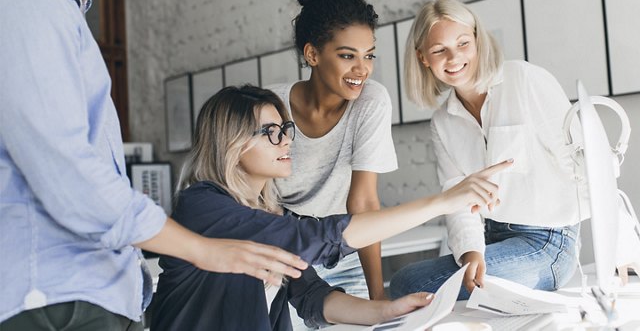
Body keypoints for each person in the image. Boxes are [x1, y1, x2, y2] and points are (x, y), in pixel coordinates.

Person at [0, 0, 307, 329]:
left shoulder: (63, 13)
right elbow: (71, 178)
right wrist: (204, 249)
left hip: (89, 296)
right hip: (56, 301)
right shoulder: (28, 4)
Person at [151, 85, 510, 330]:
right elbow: (319, 237)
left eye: (285, 129)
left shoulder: (273, 216)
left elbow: (312, 296)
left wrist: (385, 312)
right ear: (231, 142)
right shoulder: (202, 206)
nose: (286, 140)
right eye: (270, 132)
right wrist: (443, 201)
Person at [389, 0, 586, 301]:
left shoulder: (524, 79)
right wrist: (470, 252)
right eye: (439, 50)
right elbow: (456, 197)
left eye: (463, 43)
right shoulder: (442, 122)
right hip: (490, 238)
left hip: (548, 244)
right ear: (423, 58)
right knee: (405, 279)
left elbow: (585, 162)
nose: (453, 58)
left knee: (413, 286)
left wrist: (621, 246)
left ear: (479, 41)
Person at [269, 0, 393, 326]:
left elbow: (364, 201)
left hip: (345, 249)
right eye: (347, 55)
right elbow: (257, 200)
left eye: (368, 54)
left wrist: (378, 298)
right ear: (312, 55)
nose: (362, 68)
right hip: (284, 254)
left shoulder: (372, 101)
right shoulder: (270, 108)